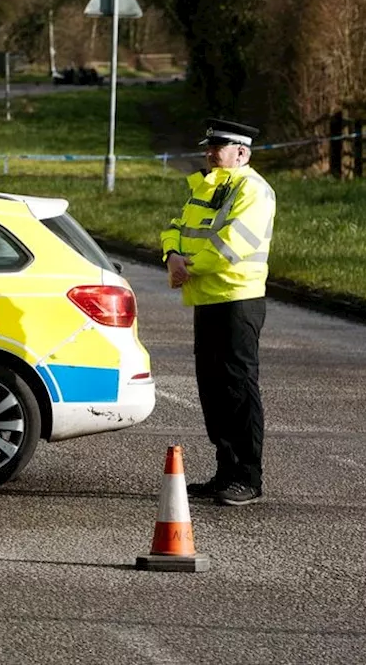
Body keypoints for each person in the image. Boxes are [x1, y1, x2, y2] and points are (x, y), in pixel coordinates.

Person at [161, 118, 277, 506]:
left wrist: (183, 267)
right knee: (213, 390)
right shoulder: (206, 186)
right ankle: (225, 472)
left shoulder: (254, 190)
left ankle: (248, 477)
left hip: (237, 300)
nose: (209, 153)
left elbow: (232, 245)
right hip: (207, 299)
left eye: (218, 148)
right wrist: (171, 254)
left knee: (238, 389)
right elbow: (176, 227)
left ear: (241, 153)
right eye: (208, 147)